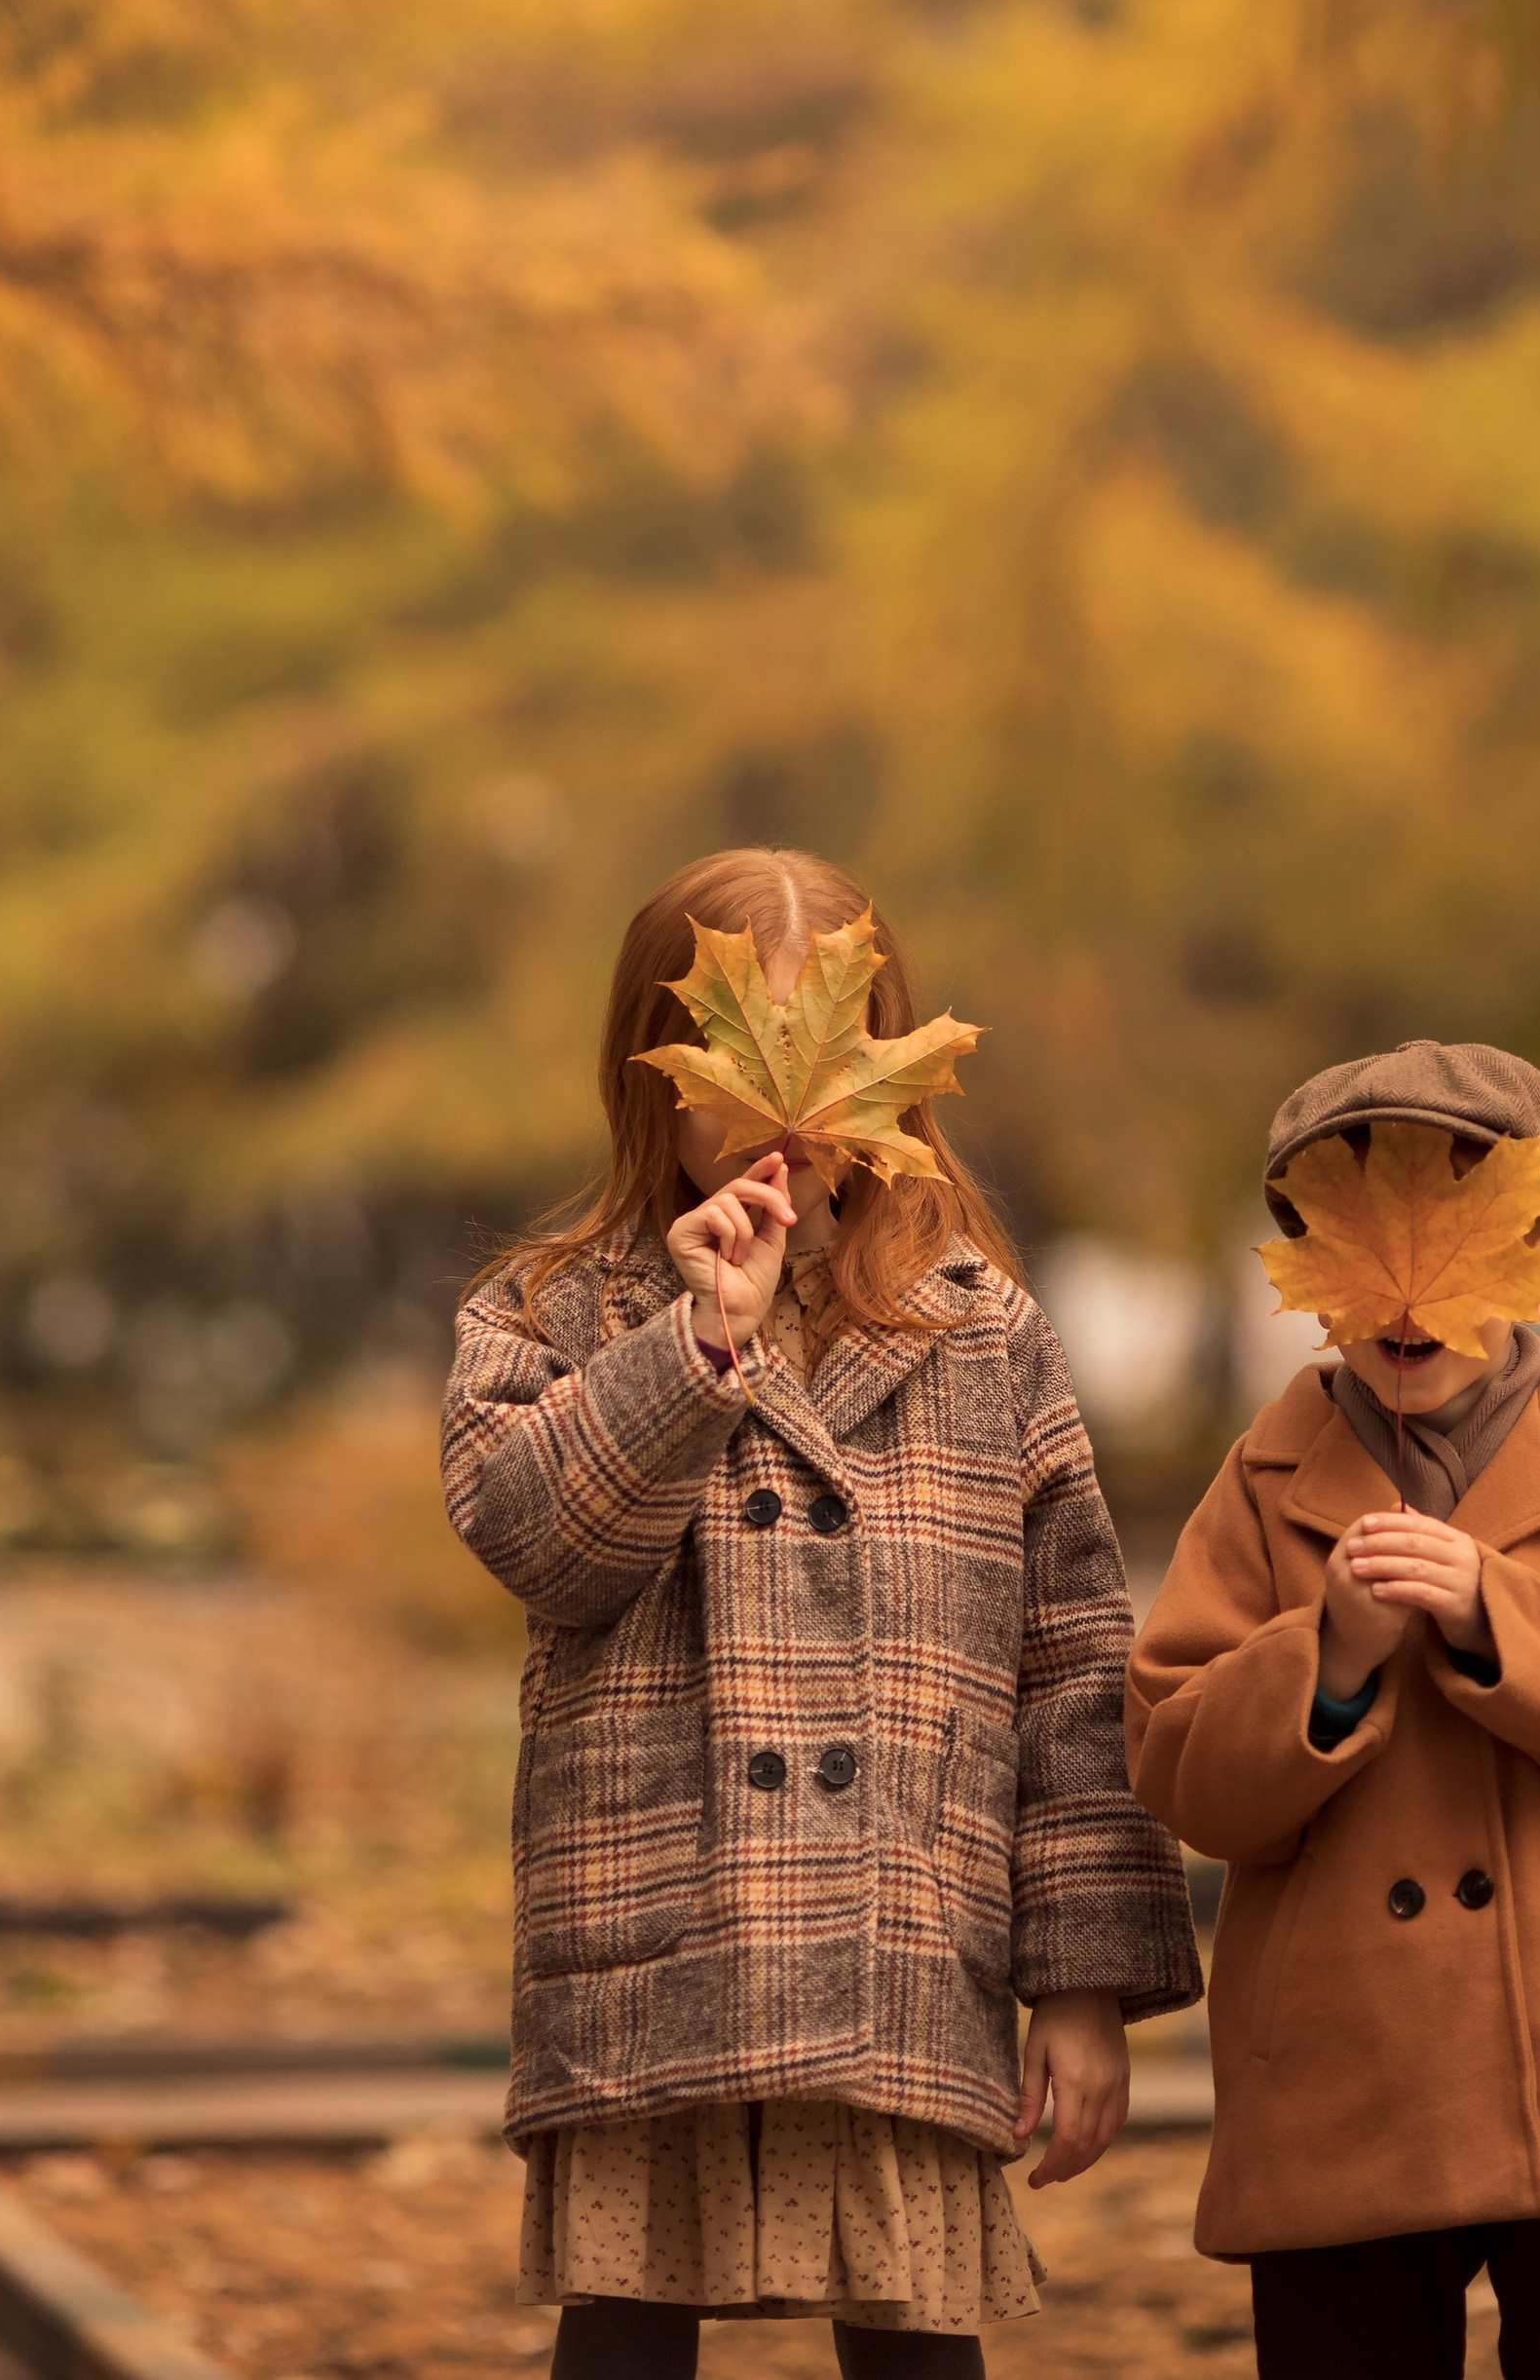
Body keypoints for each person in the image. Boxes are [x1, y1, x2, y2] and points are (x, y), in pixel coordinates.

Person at [443, 844, 1199, 2380]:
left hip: (902, 1936)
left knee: (916, 2338)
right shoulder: (551, 1308)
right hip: (655, 1935)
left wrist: (1083, 1977)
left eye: (826, 1047)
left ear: (890, 1064)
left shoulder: (980, 1327)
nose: (786, 1109)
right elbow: (537, 1542)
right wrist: (692, 1347)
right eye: (738, 1053)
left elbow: (1071, 1665)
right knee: (627, 2330)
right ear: (654, 1071)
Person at [1125, 1037, 1540, 2380]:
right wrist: (1328, 1659)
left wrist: (1503, 1614)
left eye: (1456, 1244)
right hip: (1346, 2086)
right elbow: (1179, 1763)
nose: (1407, 1303)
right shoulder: (1265, 1479)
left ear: (1539, 1246)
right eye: (1353, 1245)